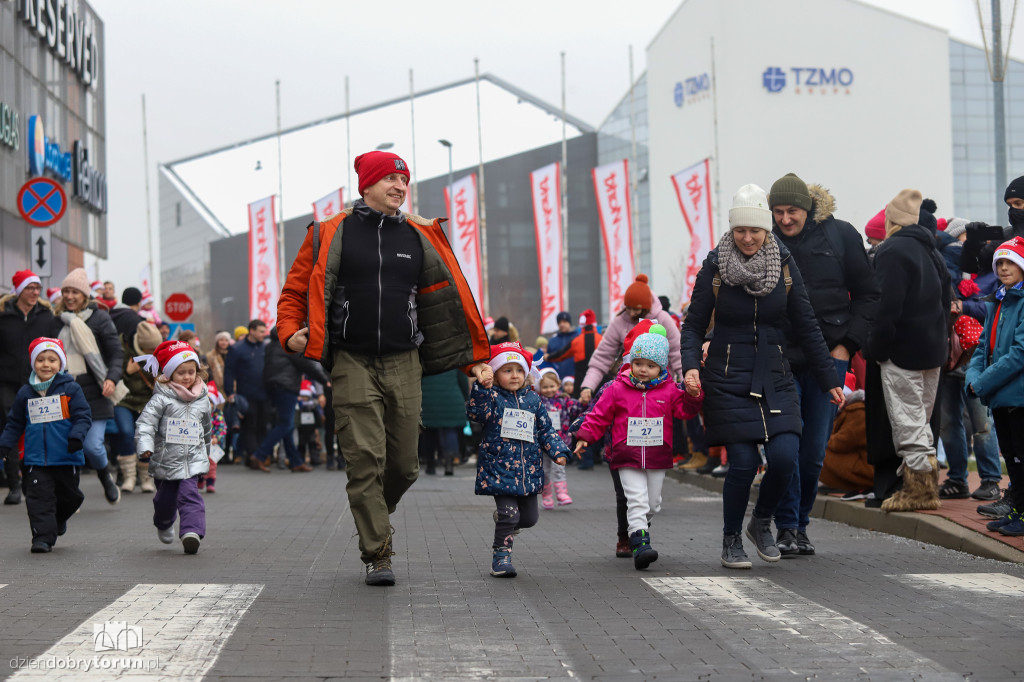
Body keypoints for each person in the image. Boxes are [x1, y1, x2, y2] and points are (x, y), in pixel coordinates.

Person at [277, 149, 491, 586]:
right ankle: (378, 552)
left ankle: (374, 509)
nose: (399, 187)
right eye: (391, 180)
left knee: (405, 466)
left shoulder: (421, 234)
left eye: (404, 181)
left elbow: (450, 300)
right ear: (368, 185)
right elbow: (294, 292)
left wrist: (473, 358)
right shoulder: (329, 232)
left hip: (404, 360)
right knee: (364, 461)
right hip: (351, 360)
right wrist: (289, 331)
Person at [681, 184, 841, 569]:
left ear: (767, 230)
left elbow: (807, 325)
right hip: (727, 375)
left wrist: (828, 377)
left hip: (775, 373)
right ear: (732, 230)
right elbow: (692, 326)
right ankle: (731, 538)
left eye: (755, 230)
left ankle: (761, 521)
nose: (748, 238)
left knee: (786, 457)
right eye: (741, 231)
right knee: (741, 463)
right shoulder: (715, 268)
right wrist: (689, 365)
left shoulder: (784, 264)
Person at [767, 173, 880, 557]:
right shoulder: (764, 241)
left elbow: (868, 295)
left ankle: (800, 523)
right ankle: (786, 526)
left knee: (814, 450)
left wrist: (848, 346)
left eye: (792, 211)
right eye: (778, 212)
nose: (785, 219)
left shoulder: (841, 235)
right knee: (786, 445)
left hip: (828, 360)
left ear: (808, 208)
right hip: (780, 360)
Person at [575, 326, 703, 570]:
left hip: (657, 455)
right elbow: (599, 416)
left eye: (650, 365)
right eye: (638, 363)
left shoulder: (669, 390)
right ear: (631, 362)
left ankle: (639, 527)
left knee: (653, 504)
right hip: (627, 455)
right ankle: (641, 543)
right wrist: (585, 437)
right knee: (636, 500)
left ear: (661, 367)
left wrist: (693, 395)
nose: (643, 370)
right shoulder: (617, 388)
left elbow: (686, 411)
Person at [866, 190, 951, 512]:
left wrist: (877, 348)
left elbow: (885, 306)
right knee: (922, 422)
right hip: (932, 351)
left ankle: (919, 492)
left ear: (892, 220)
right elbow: (946, 304)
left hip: (902, 351)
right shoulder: (933, 251)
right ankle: (925, 487)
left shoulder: (892, 250)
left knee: (907, 423)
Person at [467, 342, 570, 577]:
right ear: (495, 373)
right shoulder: (491, 397)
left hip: (528, 470)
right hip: (499, 468)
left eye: (519, 370)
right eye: (507, 370)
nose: (514, 375)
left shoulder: (533, 400)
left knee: (530, 518)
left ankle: (504, 521)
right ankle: (501, 557)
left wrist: (559, 452)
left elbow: (546, 430)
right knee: (510, 515)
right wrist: (481, 388)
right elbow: (475, 413)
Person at [0, 338, 90, 553]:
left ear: (60, 364)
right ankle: (42, 538)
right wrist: (5, 445)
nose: (46, 364)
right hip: (36, 458)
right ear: (33, 363)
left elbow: (83, 416)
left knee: (71, 497)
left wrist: (77, 437)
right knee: (39, 498)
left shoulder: (70, 388)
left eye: (52, 359)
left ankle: (57, 520)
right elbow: (15, 423)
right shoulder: (25, 392)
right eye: (40, 360)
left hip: (67, 456)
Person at [965, 237, 1024, 536]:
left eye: (1010, 262)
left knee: (1022, 457)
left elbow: (1019, 353)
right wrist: (972, 379)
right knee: (1011, 457)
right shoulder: (999, 301)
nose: (1003, 268)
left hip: (1019, 397)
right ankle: (1018, 510)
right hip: (1001, 396)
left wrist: (983, 382)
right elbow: (981, 348)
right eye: (999, 262)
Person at [50, 268, 123, 505]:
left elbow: (115, 354)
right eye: (65, 291)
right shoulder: (55, 321)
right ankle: (71, 495)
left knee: (93, 446)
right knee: (68, 446)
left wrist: (111, 377)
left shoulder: (100, 319)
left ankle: (105, 477)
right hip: (62, 392)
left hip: (95, 393)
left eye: (74, 292)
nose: (69, 296)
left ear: (85, 296)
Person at [134, 340, 211, 555]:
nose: (187, 377)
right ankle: (164, 522)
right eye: (181, 373)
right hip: (166, 460)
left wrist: (207, 454)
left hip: (192, 461)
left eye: (191, 372)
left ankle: (191, 533)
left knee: (190, 495)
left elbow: (206, 429)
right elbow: (145, 424)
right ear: (168, 374)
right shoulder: (161, 399)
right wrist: (145, 447)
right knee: (165, 501)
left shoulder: (203, 399)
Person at [579, 274, 682, 405]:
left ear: (646, 307)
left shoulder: (663, 319)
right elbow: (602, 357)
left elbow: (678, 354)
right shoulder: (619, 321)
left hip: (660, 387)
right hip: (627, 387)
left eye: (636, 309)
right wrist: (588, 386)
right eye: (628, 308)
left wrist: (688, 382)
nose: (632, 313)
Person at [0, 270, 54, 505]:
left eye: (37, 288)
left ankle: (31, 482)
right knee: (11, 427)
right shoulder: (3, 314)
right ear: (19, 289)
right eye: (30, 288)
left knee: (33, 431)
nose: (34, 292)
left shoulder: (46, 316)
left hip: (36, 383)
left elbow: (54, 350)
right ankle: (14, 485)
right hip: (6, 382)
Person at [253, 326, 329, 472]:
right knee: (286, 424)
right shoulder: (290, 345)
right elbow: (307, 365)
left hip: (273, 387)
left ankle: (295, 461)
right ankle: (259, 455)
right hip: (287, 387)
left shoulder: (270, 346)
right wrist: (325, 380)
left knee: (286, 424)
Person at [114, 321, 162, 493]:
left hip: (146, 401)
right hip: (124, 399)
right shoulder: (124, 347)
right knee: (126, 432)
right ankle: (129, 477)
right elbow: (111, 372)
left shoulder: (159, 354)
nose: (152, 352)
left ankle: (146, 478)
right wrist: (127, 372)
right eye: (149, 349)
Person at [223, 319, 270, 469]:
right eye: (261, 331)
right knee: (249, 427)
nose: (264, 334)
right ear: (252, 331)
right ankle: (253, 456)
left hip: (265, 394)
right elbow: (229, 371)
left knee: (263, 426)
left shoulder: (265, 347)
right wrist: (230, 392)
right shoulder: (237, 349)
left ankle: (259, 457)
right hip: (246, 395)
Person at [533, 368, 581, 508]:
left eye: (552, 386)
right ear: (539, 387)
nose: (549, 390)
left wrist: (584, 402)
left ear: (558, 385)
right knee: (545, 471)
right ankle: (547, 496)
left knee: (559, 468)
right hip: (542, 443)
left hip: (560, 442)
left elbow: (576, 408)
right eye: (545, 387)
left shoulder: (564, 400)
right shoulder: (537, 401)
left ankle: (562, 494)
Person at [420, 370, 470, 476]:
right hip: (452, 400)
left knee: (429, 433)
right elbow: (463, 381)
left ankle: (431, 465)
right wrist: (466, 398)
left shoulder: (423, 357)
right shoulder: (453, 359)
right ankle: (449, 463)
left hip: (429, 400)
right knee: (450, 431)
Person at [546, 309, 603, 400]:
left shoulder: (576, 340)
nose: (562, 324)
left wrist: (548, 357)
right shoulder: (602, 339)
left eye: (564, 321)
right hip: (600, 381)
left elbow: (561, 354)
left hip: (579, 384)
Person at [544, 312, 579, 380]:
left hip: (575, 379)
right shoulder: (552, 341)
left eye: (564, 321)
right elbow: (548, 360)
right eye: (559, 322)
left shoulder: (578, 338)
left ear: (569, 322)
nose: (562, 324)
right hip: (557, 380)